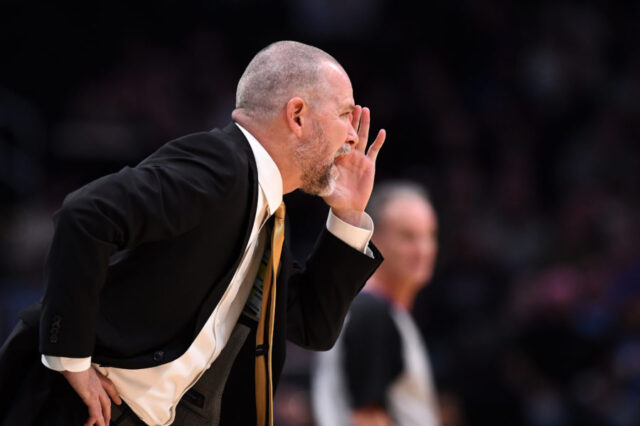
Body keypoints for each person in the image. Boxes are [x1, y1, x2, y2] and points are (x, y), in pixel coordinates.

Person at [0, 40, 386, 426]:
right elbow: (85, 214)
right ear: (297, 115)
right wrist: (71, 358)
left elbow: (310, 325)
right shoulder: (222, 165)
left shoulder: (267, 206)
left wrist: (349, 215)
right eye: (343, 115)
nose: (352, 137)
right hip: (82, 409)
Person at [312, 181, 440, 426]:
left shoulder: (377, 310)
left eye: (429, 236)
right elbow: (367, 418)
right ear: (376, 239)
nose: (423, 250)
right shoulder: (372, 313)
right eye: (408, 237)